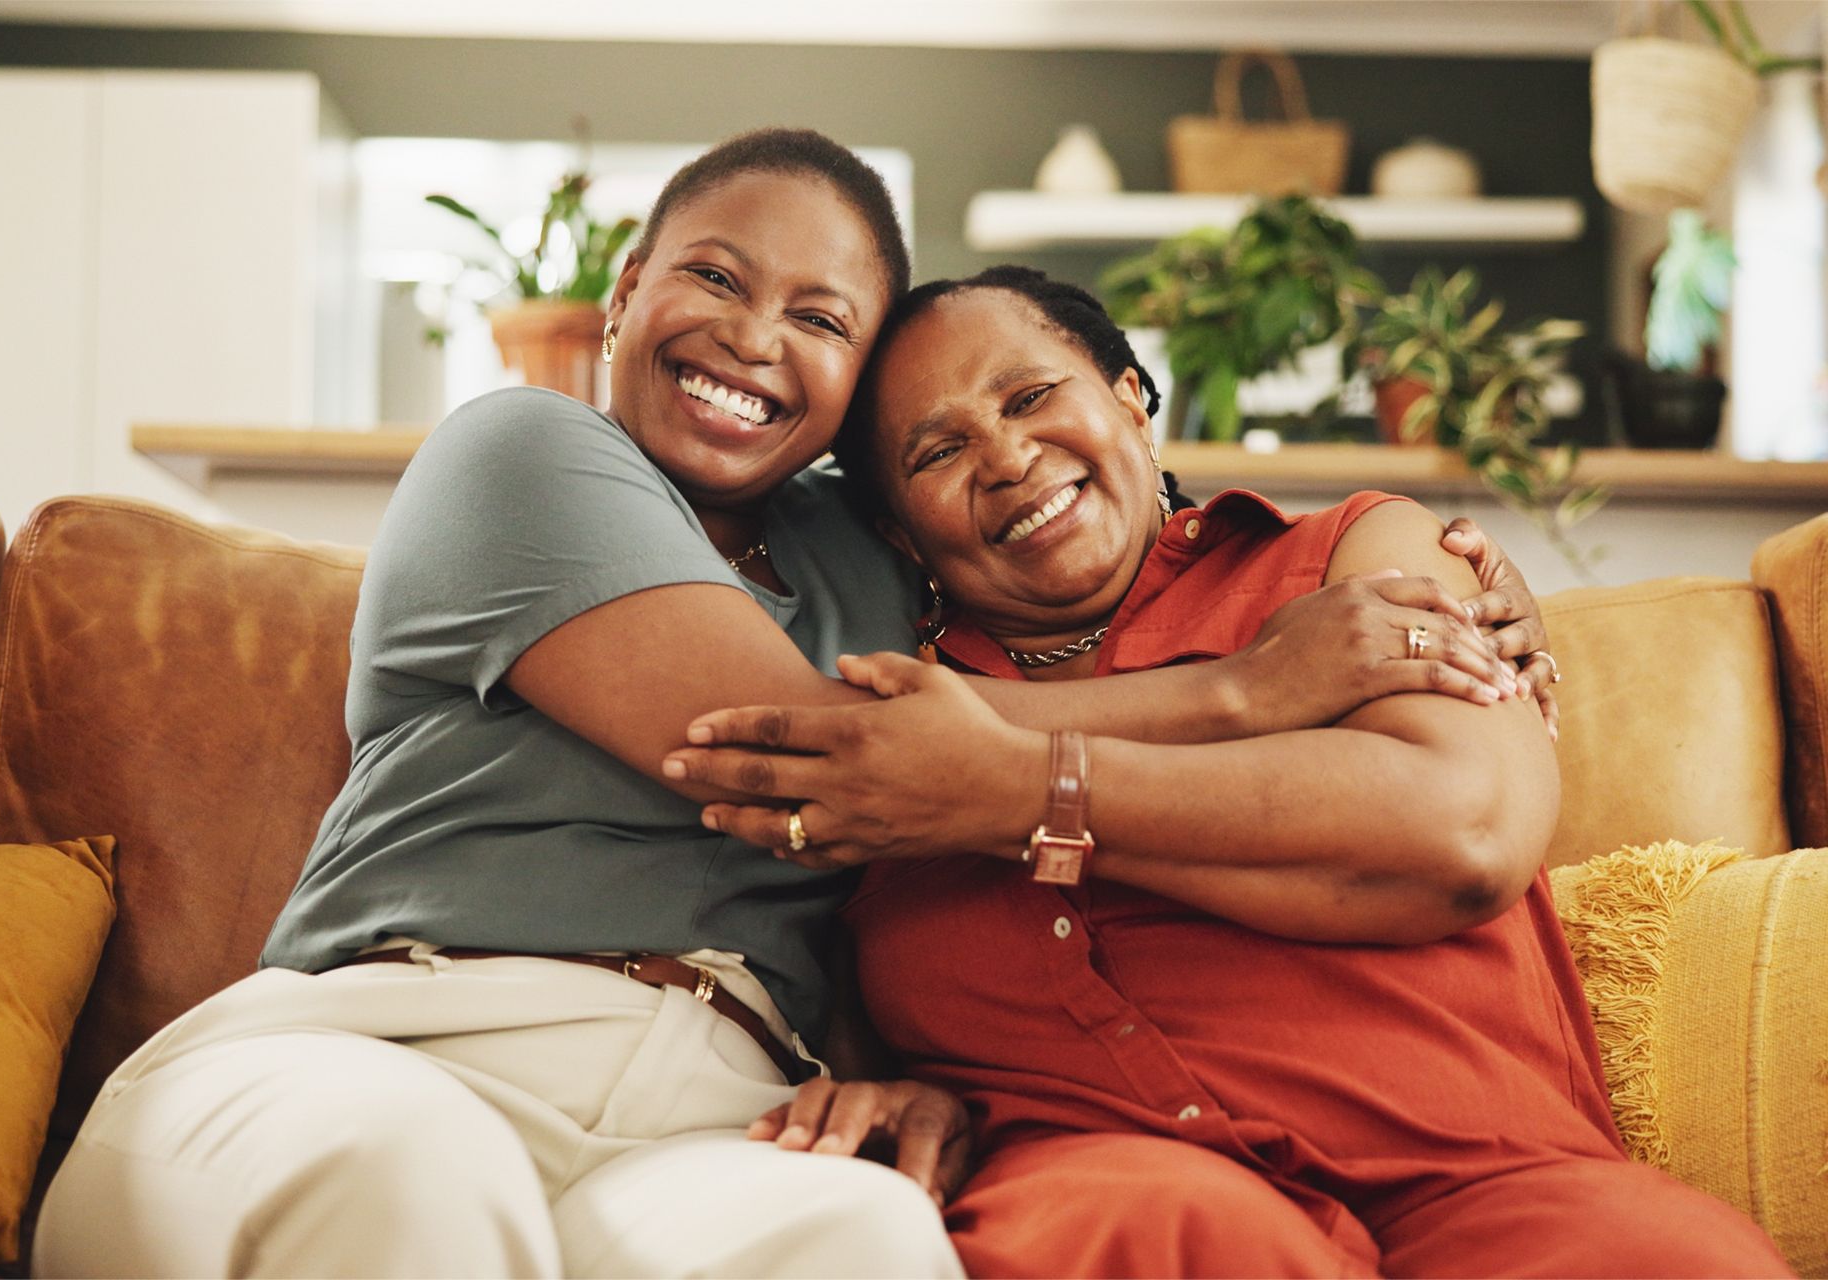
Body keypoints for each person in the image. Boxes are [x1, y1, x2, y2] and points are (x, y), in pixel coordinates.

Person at [35, 129, 1555, 1279]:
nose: (758, 340)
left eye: (823, 321)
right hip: (388, 1045)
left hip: (720, 1111)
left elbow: (1090, 535)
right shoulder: (525, 457)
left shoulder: (887, 552)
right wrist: (1246, 690)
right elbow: (817, 768)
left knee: (863, 1242)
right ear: (625, 294)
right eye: (715, 276)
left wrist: (1464, 588)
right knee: (405, 1181)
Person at [663, 266, 1794, 1278]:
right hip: (1112, 1187)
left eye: (1029, 396)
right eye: (938, 450)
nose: (1006, 458)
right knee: (1153, 1229)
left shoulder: (1355, 562)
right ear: (901, 532)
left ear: (1131, 397)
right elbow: (823, 952)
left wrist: (1020, 790)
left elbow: (1464, 832)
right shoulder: (885, 719)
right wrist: (880, 1077)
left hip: (1482, 1171)